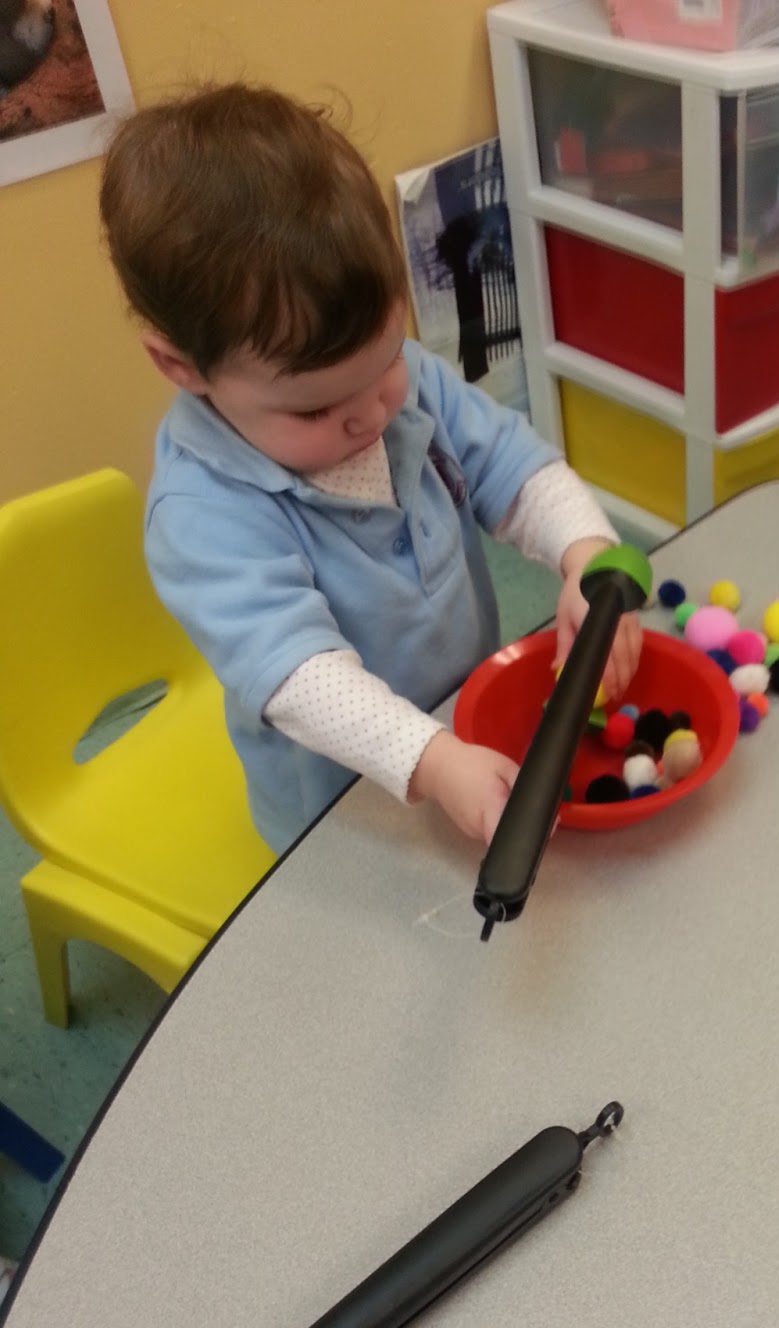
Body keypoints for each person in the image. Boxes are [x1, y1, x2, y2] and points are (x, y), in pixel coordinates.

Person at [99, 83, 641, 853]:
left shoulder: (399, 381)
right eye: (315, 411)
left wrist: (585, 554)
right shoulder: (200, 512)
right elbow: (301, 677)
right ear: (181, 366)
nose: (370, 415)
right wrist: (433, 758)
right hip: (339, 809)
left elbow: (514, 467)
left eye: (385, 363)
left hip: (465, 728)